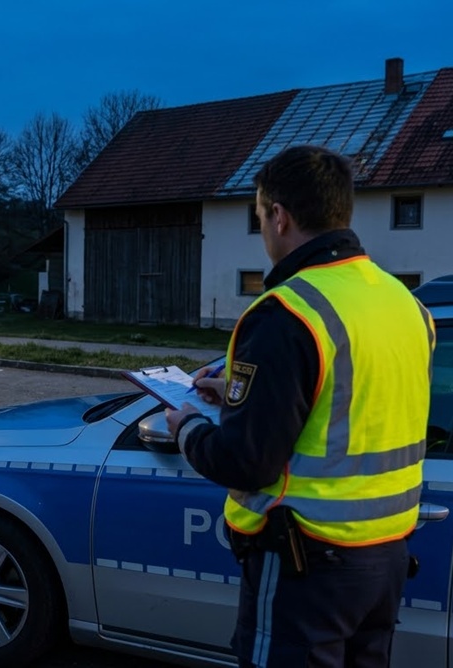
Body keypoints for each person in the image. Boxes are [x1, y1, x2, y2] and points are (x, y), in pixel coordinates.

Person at [165, 145, 434, 668]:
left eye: (260, 215)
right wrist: (245, 393)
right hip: (388, 556)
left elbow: (246, 463)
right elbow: (352, 400)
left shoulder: (288, 311)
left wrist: (186, 425)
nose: (263, 227)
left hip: (306, 564)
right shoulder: (406, 303)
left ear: (280, 216)